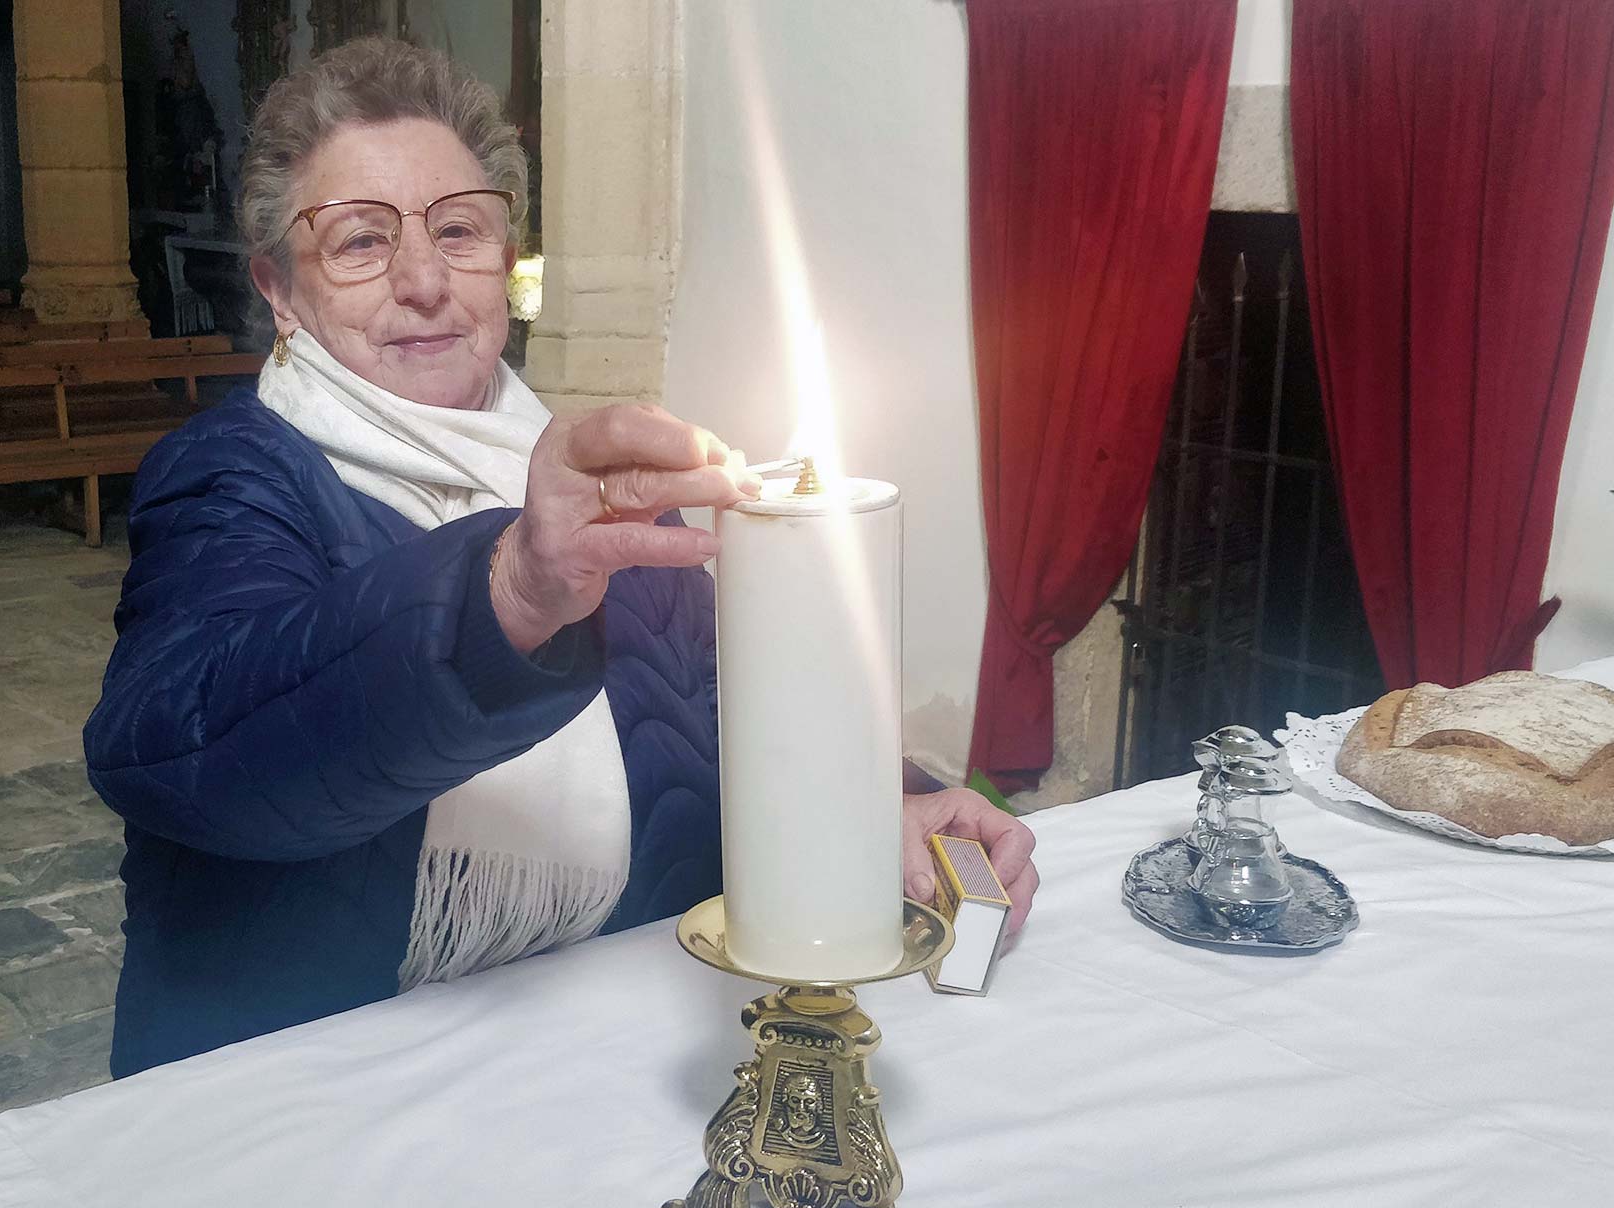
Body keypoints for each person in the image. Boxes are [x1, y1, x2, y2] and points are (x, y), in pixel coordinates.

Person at [85, 38, 1039, 1078]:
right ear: (277, 287)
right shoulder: (230, 476)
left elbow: (721, 714)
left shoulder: (583, 481)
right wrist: (509, 588)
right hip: (328, 1082)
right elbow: (185, 748)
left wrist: (876, 800)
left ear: (506, 261)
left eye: (459, 230)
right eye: (359, 242)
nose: (422, 281)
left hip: (623, 1050)